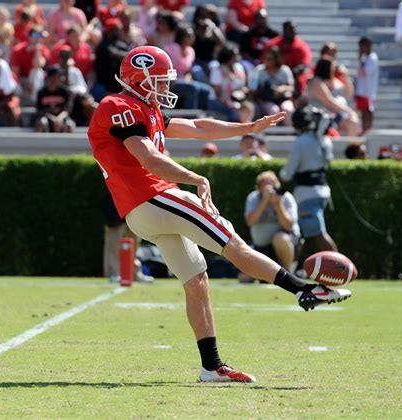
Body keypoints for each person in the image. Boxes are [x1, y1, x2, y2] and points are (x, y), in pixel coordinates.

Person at [87, 46, 351, 383]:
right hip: (155, 196)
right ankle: (304, 290)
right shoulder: (118, 106)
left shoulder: (144, 108)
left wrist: (247, 128)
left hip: (141, 212)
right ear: (139, 80)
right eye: (160, 82)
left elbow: (197, 126)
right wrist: (196, 178)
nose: (166, 89)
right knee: (234, 246)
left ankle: (211, 367)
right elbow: (149, 159)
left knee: (196, 279)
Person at [280, 104, 338, 253]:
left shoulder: (302, 141)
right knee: (301, 235)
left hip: (306, 194)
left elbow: (288, 172)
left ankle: (340, 269)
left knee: (319, 235)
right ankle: (291, 270)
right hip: (323, 191)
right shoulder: (324, 140)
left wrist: (280, 180)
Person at [243, 171, 300, 273]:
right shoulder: (253, 198)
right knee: (245, 278)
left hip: (286, 244)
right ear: (259, 188)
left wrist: (278, 204)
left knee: (280, 239)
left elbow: (288, 226)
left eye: (272, 185)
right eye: (265, 186)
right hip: (261, 248)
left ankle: (288, 274)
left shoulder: (286, 197)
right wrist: (264, 201)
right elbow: (250, 222)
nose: (269, 189)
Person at [101, 193, 154, 283]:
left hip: (133, 204)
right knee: (113, 243)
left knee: (135, 243)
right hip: (115, 204)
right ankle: (114, 273)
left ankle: (135, 273)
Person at [307, 58, 360, 136]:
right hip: (319, 117)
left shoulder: (332, 82)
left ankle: (350, 147)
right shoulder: (316, 82)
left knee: (352, 122)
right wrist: (350, 111)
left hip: (333, 116)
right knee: (351, 120)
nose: (334, 70)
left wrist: (346, 76)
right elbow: (329, 101)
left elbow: (348, 94)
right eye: (332, 68)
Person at [249, 46, 295, 126]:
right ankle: (274, 135)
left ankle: (289, 135)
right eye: (265, 58)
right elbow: (252, 89)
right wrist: (265, 89)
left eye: (270, 59)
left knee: (288, 110)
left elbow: (291, 87)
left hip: (282, 98)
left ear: (276, 59)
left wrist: (282, 89)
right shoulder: (258, 71)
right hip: (266, 100)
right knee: (274, 111)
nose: (266, 61)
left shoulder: (284, 70)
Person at [264, 21, 312, 97]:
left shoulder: (301, 45)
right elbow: (265, 60)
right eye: (290, 29)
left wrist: (292, 73)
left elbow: (305, 63)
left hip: (293, 75)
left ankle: (296, 98)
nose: (293, 32)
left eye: (294, 29)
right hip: (275, 72)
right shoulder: (273, 44)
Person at [35, 65, 75, 133]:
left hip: (62, 118)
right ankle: (37, 143)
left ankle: (69, 144)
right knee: (41, 122)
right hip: (47, 118)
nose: (62, 79)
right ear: (51, 78)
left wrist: (59, 118)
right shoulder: (41, 92)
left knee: (69, 125)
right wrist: (53, 119)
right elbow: (40, 110)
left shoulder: (65, 91)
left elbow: (67, 110)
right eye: (59, 76)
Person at [355, 37, 379, 134]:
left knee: (368, 111)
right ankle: (364, 129)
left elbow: (366, 71)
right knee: (363, 111)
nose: (360, 49)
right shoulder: (365, 58)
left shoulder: (372, 58)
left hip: (368, 91)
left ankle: (368, 129)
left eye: (362, 46)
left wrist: (361, 59)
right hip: (362, 90)